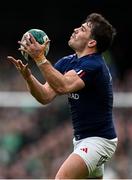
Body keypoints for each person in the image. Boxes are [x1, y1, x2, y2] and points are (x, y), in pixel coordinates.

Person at [7, 13, 118, 179]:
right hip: (81, 140)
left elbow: (64, 85)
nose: (75, 30)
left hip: (99, 141)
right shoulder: (67, 62)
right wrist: (29, 78)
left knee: (62, 178)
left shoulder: (95, 65)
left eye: (82, 29)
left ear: (92, 42)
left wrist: (39, 57)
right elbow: (45, 96)